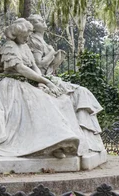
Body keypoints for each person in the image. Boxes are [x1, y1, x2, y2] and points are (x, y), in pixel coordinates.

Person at [0, 18, 88, 158]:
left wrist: (41, 82)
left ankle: (58, 142)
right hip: (10, 84)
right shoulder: (9, 47)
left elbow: (34, 67)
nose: (28, 39)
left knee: (58, 100)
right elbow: (21, 68)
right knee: (40, 102)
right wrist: (43, 81)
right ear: (17, 35)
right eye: (25, 36)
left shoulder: (24, 46)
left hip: (28, 81)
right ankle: (51, 143)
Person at [27, 14, 105, 153]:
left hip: (49, 77)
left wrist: (56, 59)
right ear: (32, 26)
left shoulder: (43, 41)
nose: (43, 21)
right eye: (39, 20)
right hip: (42, 79)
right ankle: (84, 139)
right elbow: (38, 64)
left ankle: (87, 139)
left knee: (82, 92)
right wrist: (51, 53)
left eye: (42, 19)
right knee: (80, 93)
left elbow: (48, 66)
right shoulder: (34, 41)